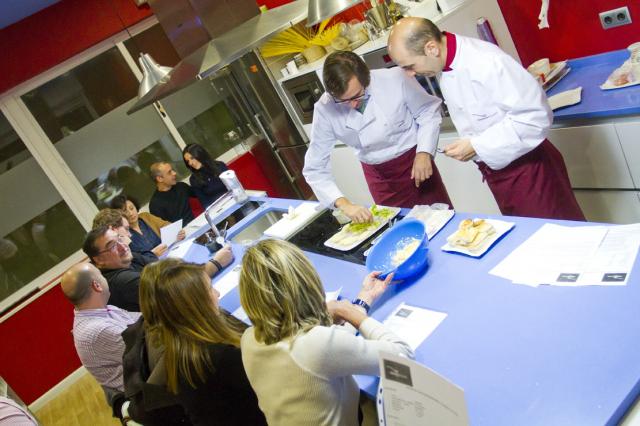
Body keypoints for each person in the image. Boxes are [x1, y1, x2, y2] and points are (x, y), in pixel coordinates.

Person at [387, 18, 585, 220]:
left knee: (560, 243)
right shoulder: (443, 65)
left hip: (531, 171)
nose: (410, 74)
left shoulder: (486, 61)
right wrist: (473, 145)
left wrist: (476, 145)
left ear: (431, 48)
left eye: (410, 66)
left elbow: (534, 118)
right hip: (499, 175)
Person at [239, 239, 413, 426]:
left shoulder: (249, 339)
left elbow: (334, 347)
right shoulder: (316, 345)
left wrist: (363, 300)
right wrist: (347, 312)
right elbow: (404, 361)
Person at [303, 50, 452, 224]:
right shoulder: (324, 108)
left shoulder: (394, 78)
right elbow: (314, 169)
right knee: (401, 233)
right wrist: (343, 204)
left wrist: (425, 152)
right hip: (381, 179)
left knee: (442, 222)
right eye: (343, 101)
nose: (352, 104)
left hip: (416, 165)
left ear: (366, 79)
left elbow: (427, 111)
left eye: (357, 95)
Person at [139, 258, 267, 426]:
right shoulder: (222, 357)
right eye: (210, 289)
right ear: (196, 304)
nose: (217, 293)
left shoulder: (180, 348)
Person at [82, 226, 233, 312]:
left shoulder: (125, 257)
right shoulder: (120, 282)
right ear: (99, 260)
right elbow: (177, 286)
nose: (122, 246)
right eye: (112, 246)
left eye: (119, 239)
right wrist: (217, 263)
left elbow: (168, 267)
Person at [60, 263, 140, 396]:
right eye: (101, 276)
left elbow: (144, 320)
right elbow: (147, 350)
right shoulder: (98, 331)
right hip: (143, 391)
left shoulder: (104, 310)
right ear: (97, 285)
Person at [110, 194, 185, 257]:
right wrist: (152, 255)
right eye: (125, 211)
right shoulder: (122, 234)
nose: (130, 213)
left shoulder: (145, 216)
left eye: (131, 208)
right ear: (119, 215)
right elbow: (133, 259)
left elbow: (165, 225)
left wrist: (177, 232)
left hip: (171, 252)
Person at [183, 144, 229, 209]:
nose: (190, 163)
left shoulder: (220, 165)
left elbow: (234, 187)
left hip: (234, 202)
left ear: (200, 154)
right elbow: (205, 204)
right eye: (188, 161)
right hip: (218, 211)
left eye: (192, 158)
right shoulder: (193, 179)